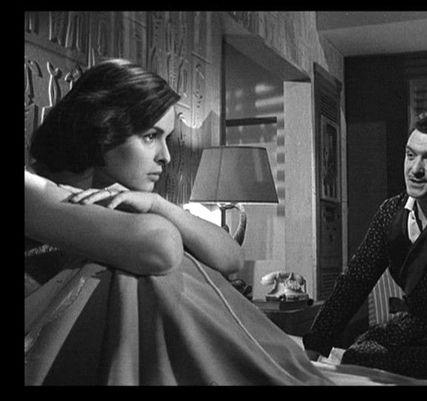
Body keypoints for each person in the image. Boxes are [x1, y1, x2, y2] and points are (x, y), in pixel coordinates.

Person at [25, 58, 332, 386]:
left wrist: (159, 205)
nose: (165, 156)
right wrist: (155, 218)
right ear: (102, 129)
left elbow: (231, 258)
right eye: (150, 136)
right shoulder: (33, 189)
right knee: (134, 273)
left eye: (166, 138)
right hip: (44, 345)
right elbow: (161, 248)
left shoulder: (113, 193)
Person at [303, 111, 427, 384]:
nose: (415, 169)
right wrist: (314, 346)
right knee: (358, 356)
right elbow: (355, 281)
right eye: (411, 155)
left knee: (395, 362)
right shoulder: (392, 212)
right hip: (419, 328)